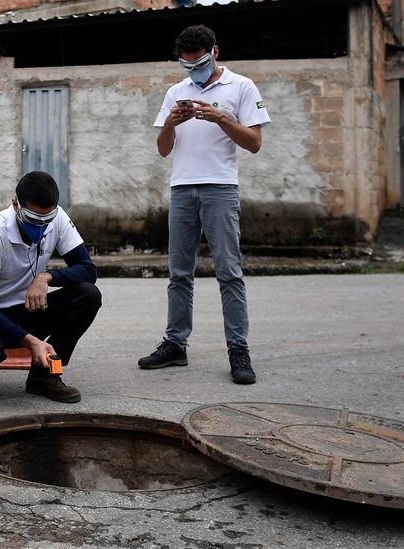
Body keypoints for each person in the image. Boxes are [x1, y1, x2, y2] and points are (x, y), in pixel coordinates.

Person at [139, 24, 270, 384]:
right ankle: (175, 344)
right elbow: (164, 149)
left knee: (229, 272)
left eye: (197, 63)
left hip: (220, 188)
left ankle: (238, 350)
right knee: (179, 273)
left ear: (215, 52)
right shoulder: (175, 91)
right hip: (182, 188)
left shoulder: (241, 86)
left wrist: (222, 117)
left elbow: (254, 143)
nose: (192, 71)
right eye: (186, 65)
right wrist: (169, 123)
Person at [0, 171, 101, 403]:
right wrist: (30, 340)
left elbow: (88, 270)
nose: (41, 227)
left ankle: (43, 377)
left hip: (25, 308)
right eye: (33, 220)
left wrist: (46, 277)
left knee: (88, 295)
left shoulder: (58, 218)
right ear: (16, 205)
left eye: (47, 220)